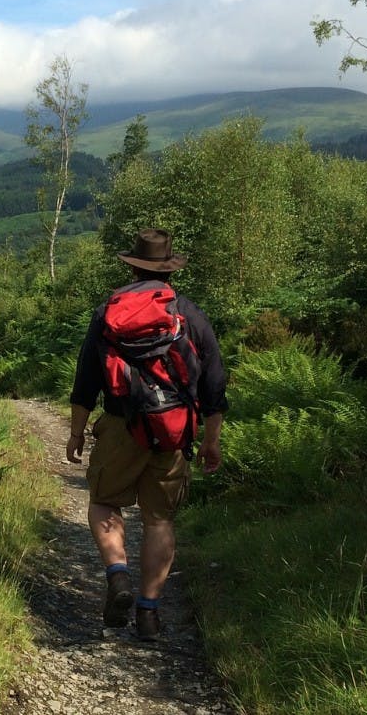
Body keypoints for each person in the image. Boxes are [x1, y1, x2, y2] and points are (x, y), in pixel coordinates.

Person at [66, 228, 228, 641]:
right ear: (170, 270)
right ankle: (149, 613)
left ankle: (117, 575)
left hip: (120, 426)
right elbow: (214, 384)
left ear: (133, 266)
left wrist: (78, 432)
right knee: (160, 519)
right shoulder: (188, 314)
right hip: (173, 431)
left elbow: (86, 380)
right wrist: (211, 439)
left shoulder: (108, 313)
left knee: (104, 502)